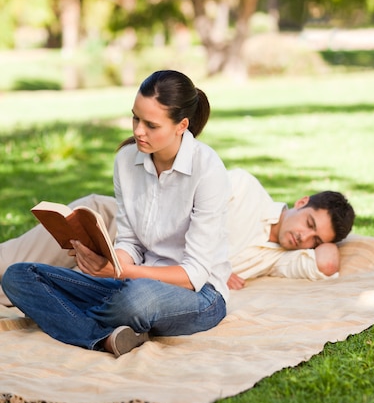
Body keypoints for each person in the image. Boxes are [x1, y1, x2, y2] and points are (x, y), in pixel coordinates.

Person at [2, 70, 232, 357]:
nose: (138, 131)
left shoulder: (207, 169)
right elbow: (131, 243)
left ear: (181, 125)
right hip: (131, 282)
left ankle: (72, 317)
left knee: (137, 301)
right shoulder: (126, 160)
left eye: (151, 124)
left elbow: (194, 274)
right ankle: (105, 338)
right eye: (135, 118)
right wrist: (107, 260)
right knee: (19, 276)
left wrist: (120, 272)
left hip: (198, 295)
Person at [0, 170, 355, 300]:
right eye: (309, 225)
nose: (304, 239)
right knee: (15, 256)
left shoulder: (277, 257)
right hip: (125, 227)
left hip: (142, 271)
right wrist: (212, 261)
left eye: (314, 240)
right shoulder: (246, 188)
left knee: (25, 287)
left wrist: (326, 244)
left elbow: (325, 265)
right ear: (301, 202)